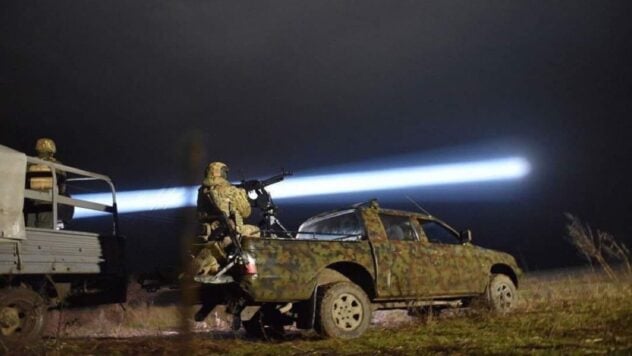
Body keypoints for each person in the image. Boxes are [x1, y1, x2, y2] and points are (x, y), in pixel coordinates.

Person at [193, 162, 260, 278]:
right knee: (255, 231)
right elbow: (246, 212)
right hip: (229, 231)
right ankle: (249, 270)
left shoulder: (201, 191)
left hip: (210, 230)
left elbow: (200, 212)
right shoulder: (231, 190)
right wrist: (243, 194)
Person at [25, 138, 70, 228]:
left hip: (30, 201)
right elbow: (62, 184)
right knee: (44, 229)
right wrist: (60, 199)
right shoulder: (56, 164)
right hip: (48, 201)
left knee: (30, 229)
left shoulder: (29, 163)